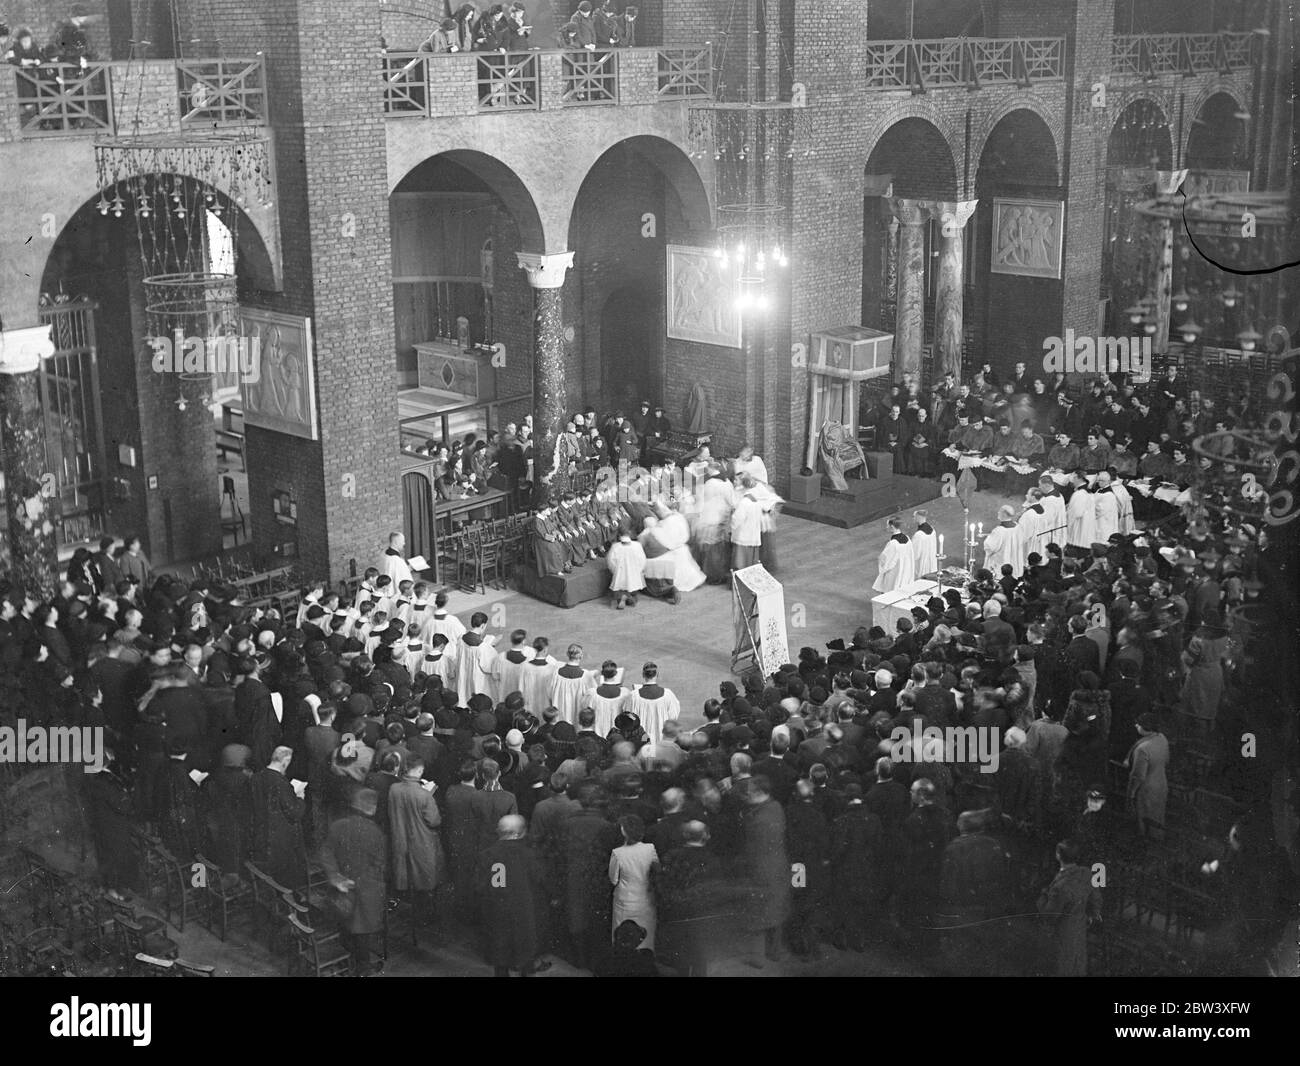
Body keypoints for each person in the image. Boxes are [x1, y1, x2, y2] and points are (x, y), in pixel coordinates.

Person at [320, 787, 389, 975]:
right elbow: (380, 864)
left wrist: (335, 877)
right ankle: (363, 969)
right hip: (366, 891)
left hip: (341, 889)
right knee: (363, 933)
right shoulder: (374, 832)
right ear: (372, 809)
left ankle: (350, 959)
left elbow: (326, 852)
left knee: (347, 926)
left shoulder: (337, 825)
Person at [388, 759, 444, 923]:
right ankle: (425, 917)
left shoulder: (394, 788)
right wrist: (429, 793)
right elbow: (434, 820)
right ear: (419, 772)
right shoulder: (423, 794)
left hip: (401, 837)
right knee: (425, 879)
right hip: (421, 840)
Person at [1036, 838, 1102, 976]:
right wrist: (1091, 915)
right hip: (1080, 928)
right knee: (1078, 963)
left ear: (1058, 855)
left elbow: (1049, 917)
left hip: (1062, 933)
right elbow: (1096, 899)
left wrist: (1042, 896)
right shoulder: (1087, 873)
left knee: (1062, 966)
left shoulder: (1060, 887)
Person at [608, 814, 659, 950]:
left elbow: (613, 880)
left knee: (623, 938)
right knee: (646, 937)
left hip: (625, 901)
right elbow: (656, 871)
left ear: (623, 831)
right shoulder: (650, 848)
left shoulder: (617, 853)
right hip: (646, 900)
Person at [1125, 713, 1169, 836]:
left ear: (1145, 727)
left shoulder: (1142, 749)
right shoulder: (1162, 738)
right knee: (1157, 817)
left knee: (1143, 820)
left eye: (1138, 724)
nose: (1136, 725)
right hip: (1161, 783)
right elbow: (1166, 759)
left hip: (1146, 789)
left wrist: (1131, 795)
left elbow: (1138, 776)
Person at [620, 662, 680, 746]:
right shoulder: (668, 694)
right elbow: (673, 717)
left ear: (643, 675)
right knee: (658, 757)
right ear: (657, 674)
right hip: (661, 738)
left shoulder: (633, 695)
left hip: (642, 738)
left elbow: (628, 717)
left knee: (646, 756)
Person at [872, 516, 915, 594]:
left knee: (890, 591)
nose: (886, 527)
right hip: (905, 571)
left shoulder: (893, 544)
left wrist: (880, 560)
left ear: (892, 527)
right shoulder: (907, 538)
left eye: (887, 525)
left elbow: (886, 560)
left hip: (894, 573)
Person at [606, 528, 647, 610]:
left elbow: (610, 561)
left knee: (619, 589)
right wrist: (638, 570)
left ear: (619, 536)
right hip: (634, 572)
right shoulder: (637, 545)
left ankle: (622, 597)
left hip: (620, 573)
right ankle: (630, 597)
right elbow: (642, 560)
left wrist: (616, 571)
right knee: (634, 589)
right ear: (630, 534)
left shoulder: (615, 546)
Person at [982, 504, 1025, 578]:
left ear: (1004, 514)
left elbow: (990, 547)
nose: (998, 513)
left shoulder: (999, 530)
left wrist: (988, 537)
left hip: (1001, 562)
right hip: (1014, 560)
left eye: (1000, 511)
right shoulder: (1018, 527)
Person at [912, 509, 938, 575]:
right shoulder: (932, 530)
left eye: (914, 516)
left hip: (922, 565)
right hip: (932, 563)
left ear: (918, 517)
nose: (913, 518)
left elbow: (915, 554)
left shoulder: (918, 535)